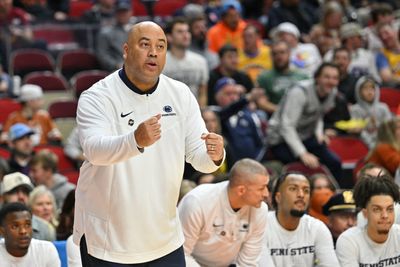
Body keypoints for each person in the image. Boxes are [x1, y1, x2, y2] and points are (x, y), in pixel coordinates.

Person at [74, 21, 225, 266]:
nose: (153, 52)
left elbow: (201, 160)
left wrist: (215, 155)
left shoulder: (181, 94)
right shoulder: (97, 96)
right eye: (145, 45)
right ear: (125, 50)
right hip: (109, 242)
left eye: (161, 46)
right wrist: (135, 140)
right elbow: (94, 151)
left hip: (164, 240)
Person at [178, 158, 269, 267]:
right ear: (241, 190)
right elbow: (181, 254)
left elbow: (248, 262)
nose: (266, 194)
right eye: (261, 188)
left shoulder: (260, 209)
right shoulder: (197, 201)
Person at [267, 63, 342, 183]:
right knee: (300, 168)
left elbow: (319, 113)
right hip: (280, 139)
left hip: (305, 136)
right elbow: (286, 126)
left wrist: (319, 132)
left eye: (335, 78)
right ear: (317, 78)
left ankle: (333, 196)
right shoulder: (299, 92)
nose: (331, 81)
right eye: (327, 77)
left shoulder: (332, 92)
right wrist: (302, 153)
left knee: (334, 162)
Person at [259, 172, 339, 266]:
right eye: (293, 189)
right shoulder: (261, 226)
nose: (301, 195)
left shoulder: (317, 228)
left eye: (306, 191)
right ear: (278, 197)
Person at [336, 174, 400, 266]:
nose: (385, 215)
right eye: (377, 209)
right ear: (365, 213)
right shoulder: (349, 241)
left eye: (390, 209)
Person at [163, 17, 209, 107]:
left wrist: (200, 113)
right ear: (169, 37)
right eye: (180, 32)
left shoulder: (200, 61)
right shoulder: (161, 62)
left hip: (193, 111)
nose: (185, 35)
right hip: (169, 111)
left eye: (187, 31)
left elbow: (203, 92)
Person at [0, 202, 60, 266]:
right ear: (2, 231)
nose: (23, 231)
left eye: (27, 225)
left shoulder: (47, 250)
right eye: (15, 226)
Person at [256, 40, 308, 114]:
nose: (279, 56)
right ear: (271, 56)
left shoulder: (303, 77)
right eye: (275, 54)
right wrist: (285, 111)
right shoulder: (264, 77)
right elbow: (262, 103)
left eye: (282, 52)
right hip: (274, 117)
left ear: (289, 54)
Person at [1, 172, 55, 241]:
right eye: (14, 191)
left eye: (25, 191)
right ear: (2, 197)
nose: (21, 196)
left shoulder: (45, 228)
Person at [350, 76, 392, 149]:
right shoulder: (355, 109)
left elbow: (389, 128)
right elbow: (358, 131)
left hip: (383, 143)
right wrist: (371, 145)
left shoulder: (383, 107)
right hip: (364, 144)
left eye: (372, 88)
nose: (369, 91)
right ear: (359, 91)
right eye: (365, 88)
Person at [96, 0, 133, 72]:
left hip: (137, 69)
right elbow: (102, 56)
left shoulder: (137, 31)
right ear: (115, 13)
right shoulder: (105, 33)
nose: (122, 14)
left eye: (125, 11)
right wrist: (116, 65)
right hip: (116, 71)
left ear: (131, 12)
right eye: (120, 12)